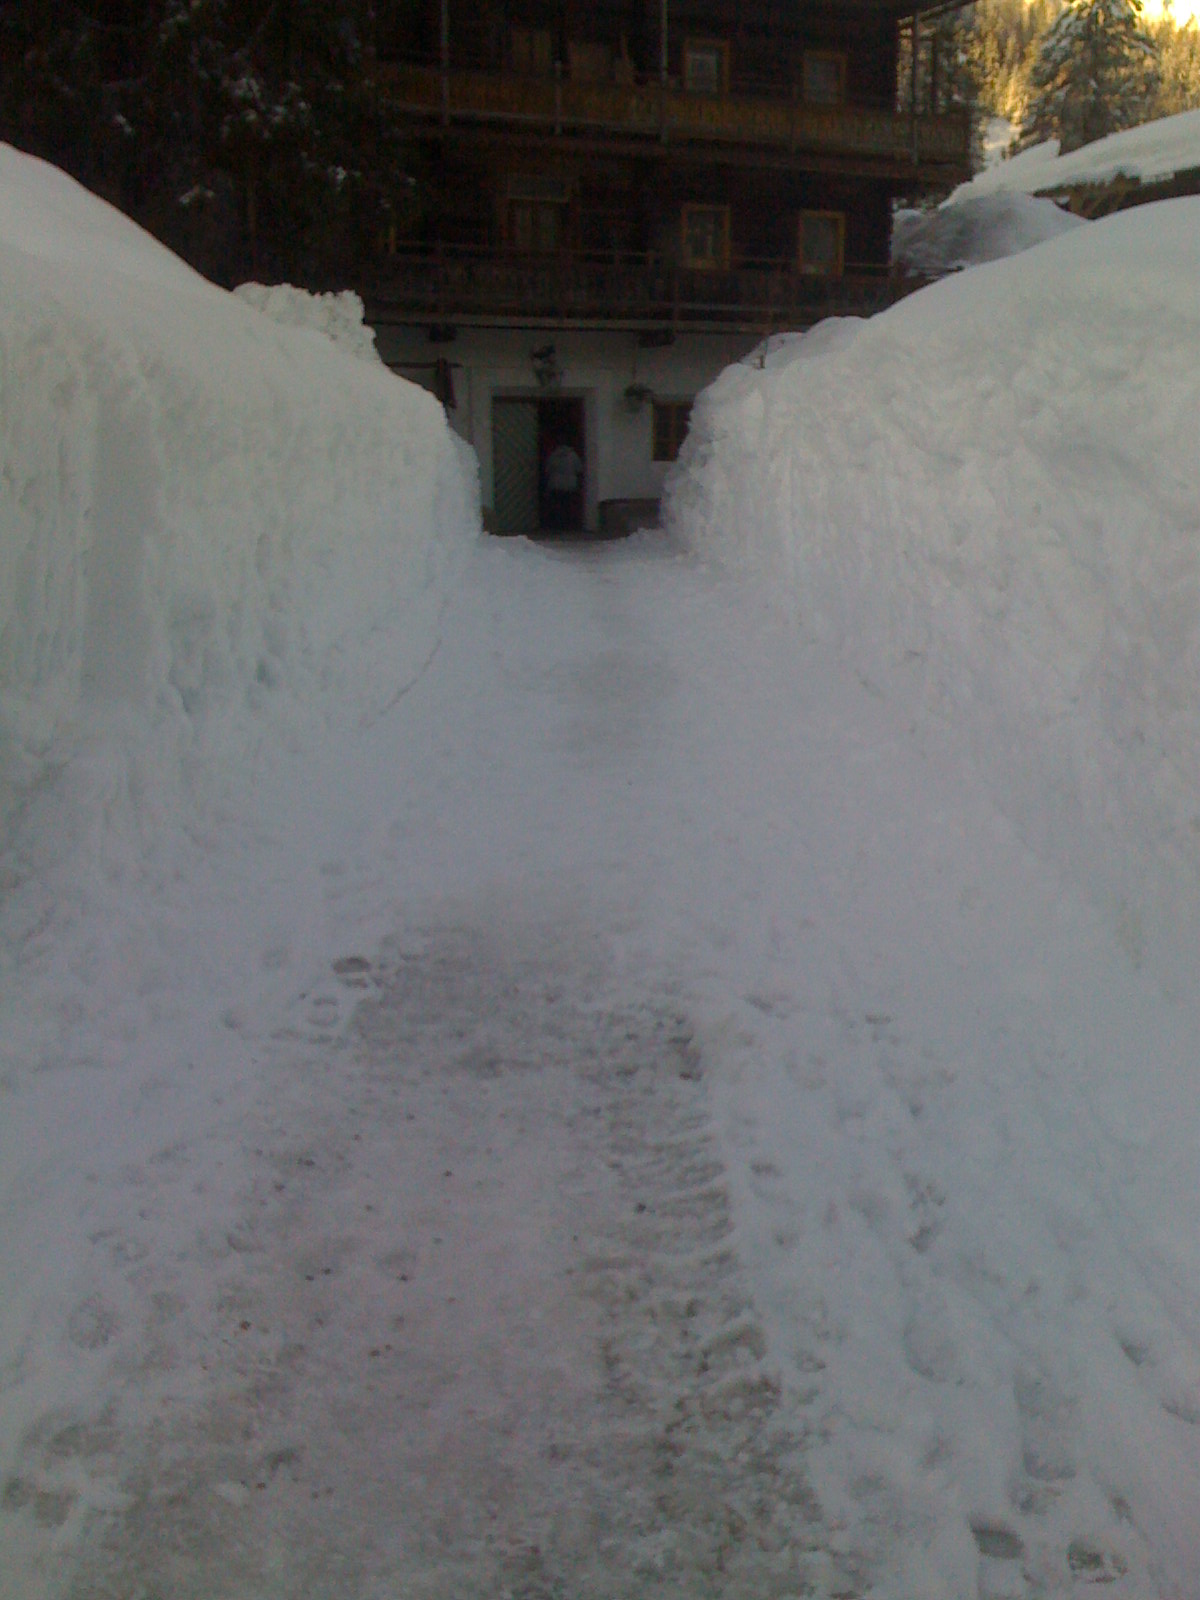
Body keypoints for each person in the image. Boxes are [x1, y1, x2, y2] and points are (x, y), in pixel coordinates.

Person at [542, 438, 583, 531]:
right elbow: (579, 469)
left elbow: (547, 469)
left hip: (555, 484)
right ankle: (568, 525)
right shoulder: (573, 456)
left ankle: (557, 526)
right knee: (568, 506)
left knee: (557, 506)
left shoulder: (553, 455)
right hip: (570, 485)